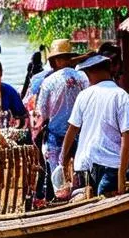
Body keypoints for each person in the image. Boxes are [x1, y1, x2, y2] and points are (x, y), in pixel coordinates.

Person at [60, 53, 129, 197]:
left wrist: (63, 160)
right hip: (110, 165)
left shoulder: (84, 95)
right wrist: (121, 175)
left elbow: (72, 130)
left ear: (90, 73)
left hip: (87, 165)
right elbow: (127, 136)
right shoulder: (121, 96)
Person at [36, 38, 89, 172]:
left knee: (57, 173)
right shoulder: (82, 77)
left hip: (56, 132)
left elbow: (42, 112)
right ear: (69, 58)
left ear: (55, 60)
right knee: (81, 171)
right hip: (80, 131)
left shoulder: (48, 81)